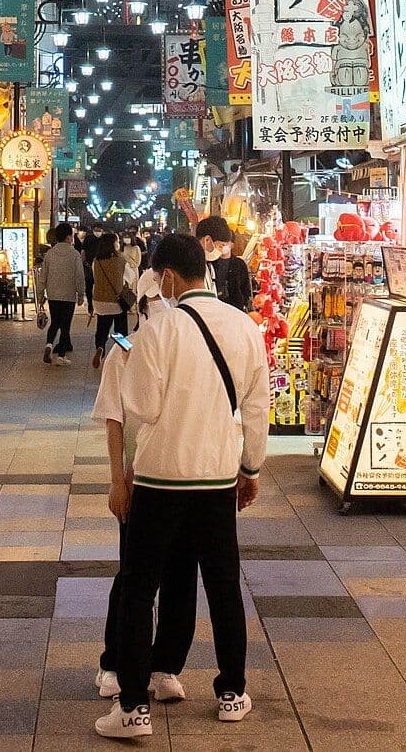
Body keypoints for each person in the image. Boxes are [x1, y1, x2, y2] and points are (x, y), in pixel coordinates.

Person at [97, 233, 269, 738]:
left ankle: (133, 709)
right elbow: (256, 408)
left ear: (168, 275)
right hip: (217, 478)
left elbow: (142, 406)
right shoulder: (245, 327)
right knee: (223, 586)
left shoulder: (158, 330)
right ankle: (232, 692)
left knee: (139, 588)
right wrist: (251, 469)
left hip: (160, 479)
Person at [90, 321, 198, 710]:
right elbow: (114, 419)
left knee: (181, 573)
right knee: (133, 576)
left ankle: (166, 665)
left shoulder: (191, 348)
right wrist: (117, 480)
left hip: (186, 477)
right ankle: (114, 663)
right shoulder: (124, 352)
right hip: (140, 482)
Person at [40, 223, 86, 364]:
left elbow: (43, 275)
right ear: (68, 237)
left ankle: (49, 345)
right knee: (65, 325)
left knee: (55, 322)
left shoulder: (50, 254)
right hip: (68, 295)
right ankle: (61, 356)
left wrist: (40, 293)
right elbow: (79, 276)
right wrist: (80, 294)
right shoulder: (74, 254)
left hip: (53, 294)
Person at [196, 216, 253, 313]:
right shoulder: (192, 266)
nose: (221, 251)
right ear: (207, 240)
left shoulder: (209, 266)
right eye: (220, 246)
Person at [90, 233, 131, 368]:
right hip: (116, 301)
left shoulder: (96, 261)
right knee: (120, 329)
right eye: (117, 241)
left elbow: (95, 278)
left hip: (100, 301)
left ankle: (100, 348)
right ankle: (123, 353)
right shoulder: (121, 260)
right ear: (114, 244)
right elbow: (130, 277)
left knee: (102, 328)